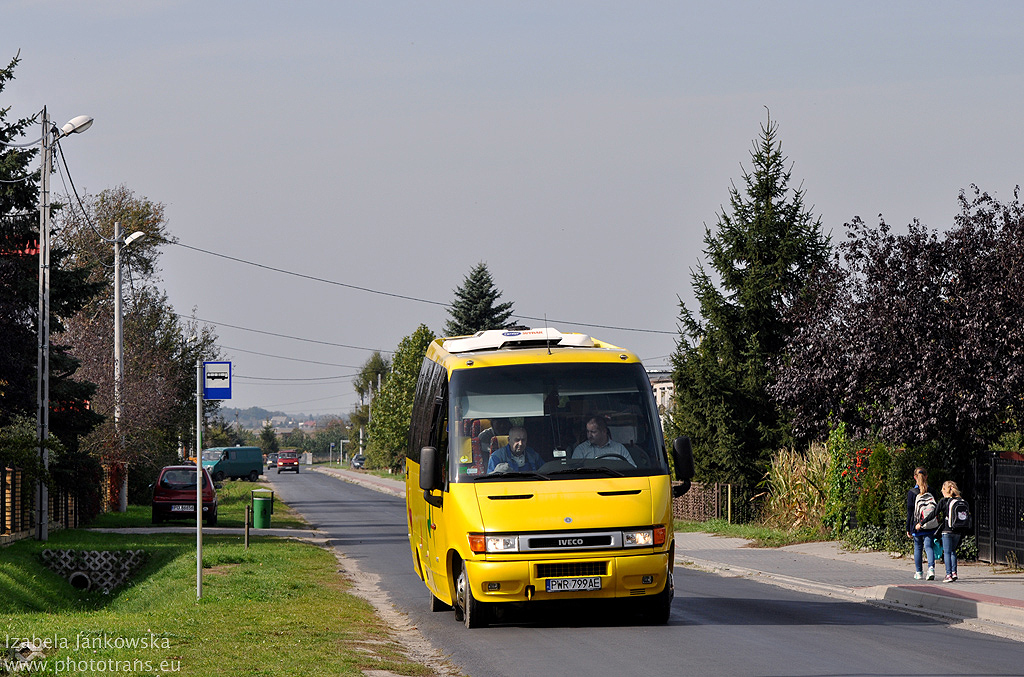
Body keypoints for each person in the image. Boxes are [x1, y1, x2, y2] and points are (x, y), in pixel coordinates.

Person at [906, 466, 937, 580]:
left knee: (918, 547)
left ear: (915, 477)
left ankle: (919, 572)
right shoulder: (932, 491)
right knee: (929, 547)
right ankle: (931, 569)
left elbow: (910, 512)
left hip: (917, 524)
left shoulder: (912, 492)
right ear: (926, 476)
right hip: (929, 523)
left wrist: (908, 528)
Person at [936, 480, 964, 583]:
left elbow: (934, 513)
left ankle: (948, 574)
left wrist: (921, 523)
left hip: (947, 530)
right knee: (953, 551)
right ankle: (954, 572)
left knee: (947, 552)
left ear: (944, 490)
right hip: (957, 530)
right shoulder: (960, 500)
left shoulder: (944, 501)